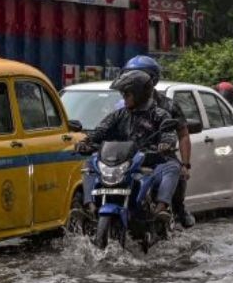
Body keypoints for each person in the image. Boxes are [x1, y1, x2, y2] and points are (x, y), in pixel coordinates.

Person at [76, 70, 181, 228]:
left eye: (127, 94)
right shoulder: (118, 115)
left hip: (149, 163)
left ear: (140, 94)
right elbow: (100, 131)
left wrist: (166, 144)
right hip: (119, 162)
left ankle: (160, 211)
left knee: (173, 167)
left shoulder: (160, 115)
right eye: (123, 95)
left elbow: (168, 134)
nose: (124, 98)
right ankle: (90, 207)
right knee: (90, 164)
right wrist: (86, 141)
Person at [120, 56, 196, 228]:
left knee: (177, 171)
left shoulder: (168, 106)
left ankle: (174, 210)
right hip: (129, 157)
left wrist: (186, 164)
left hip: (160, 157)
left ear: (151, 80)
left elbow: (183, 135)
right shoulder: (121, 105)